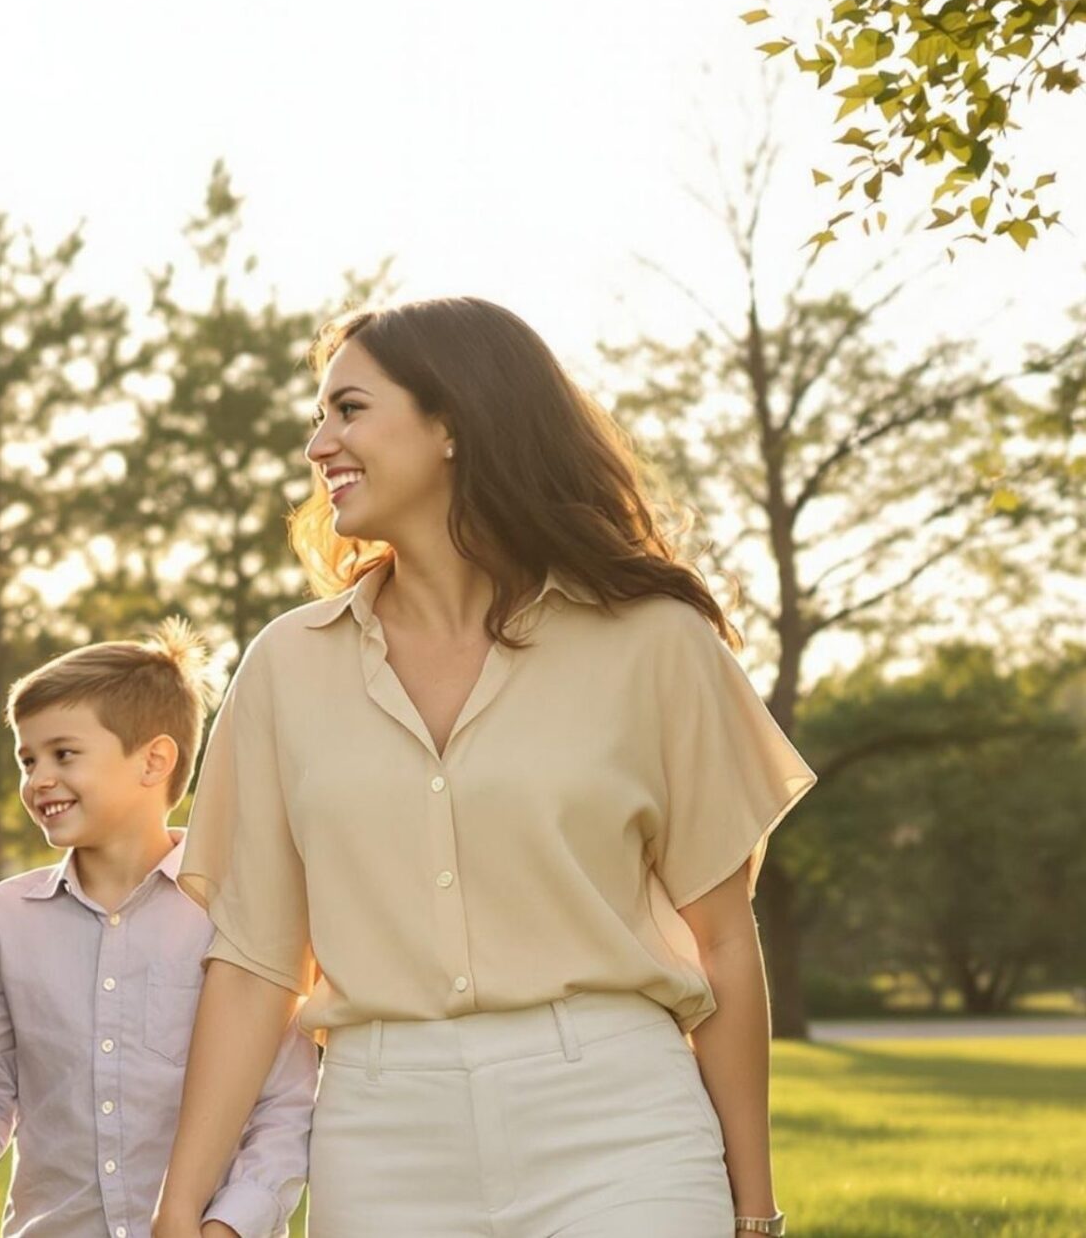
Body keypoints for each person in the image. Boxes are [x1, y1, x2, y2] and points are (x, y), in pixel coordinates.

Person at [154, 297, 815, 1238]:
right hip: (383, 1139)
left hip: (620, 1124)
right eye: (318, 415)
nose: (317, 445)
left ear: (452, 422)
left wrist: (753, 1208)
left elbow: (722, 941)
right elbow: (259, 964)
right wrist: (181, 1205)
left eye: (348, 409)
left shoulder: (653, 642)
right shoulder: (285, 667)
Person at [0, 624, 314, 1238]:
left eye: (63, 754)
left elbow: (285, 1103)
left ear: (154, 760)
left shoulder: (238, 913)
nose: (38, 777)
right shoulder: (0, 920)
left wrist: (229, 1225)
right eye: (28, 759)